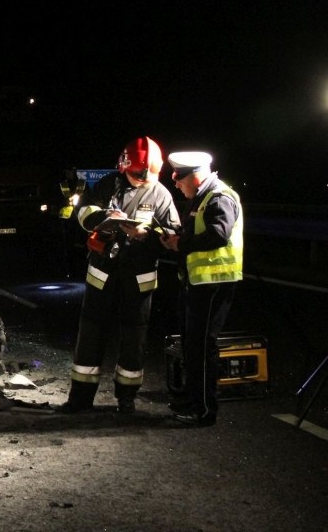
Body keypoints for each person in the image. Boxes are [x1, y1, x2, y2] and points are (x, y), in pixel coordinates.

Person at [59, 136, 181, 414]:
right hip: (103, 272)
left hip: (139, 277)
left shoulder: (161, 194)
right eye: (138, 172)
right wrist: (102, 218)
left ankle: (127, 398)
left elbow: (173, 234)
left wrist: (145, 235)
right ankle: (80, 398)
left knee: (134, 339)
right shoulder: (107, 185)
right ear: (124, 165)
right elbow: (83, 213)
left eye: (148, 173)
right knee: (91, 334)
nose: (143, 178)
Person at [160, 151, 244, 426]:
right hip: (198, 283)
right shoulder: (202, 197)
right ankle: (194, 400)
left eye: (179, 179)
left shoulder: (219, 197)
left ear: (195, 177)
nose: (176, 184)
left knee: (201, 347)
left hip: (213, 284)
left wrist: (180, 244)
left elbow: (219, 234)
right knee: (191, 345)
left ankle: (204, 411)